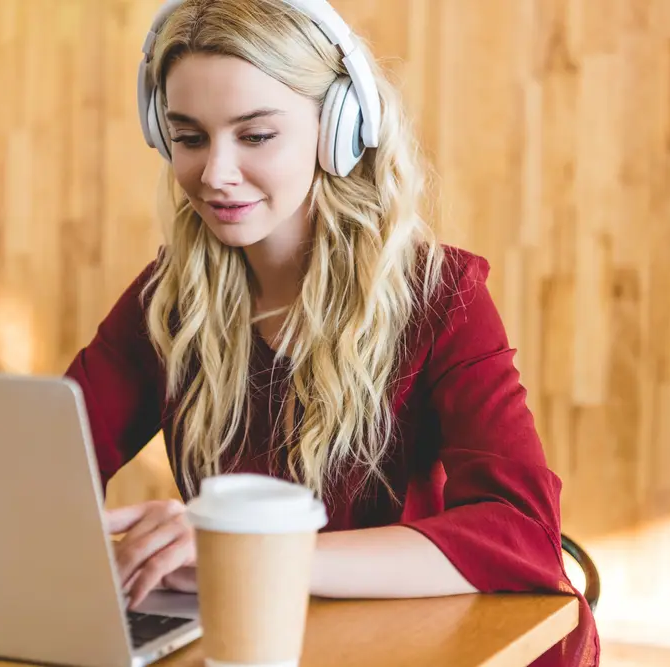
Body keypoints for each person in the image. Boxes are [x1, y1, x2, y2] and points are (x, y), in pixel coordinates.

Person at [64, 0, 600, 665]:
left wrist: (250, 553)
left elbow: (520, 534)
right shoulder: (170, 297)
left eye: (255, 135)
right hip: (267, 639)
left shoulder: (439, 294)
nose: (214, 173)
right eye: (190, 137)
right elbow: (39, 470)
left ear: (338, 128)